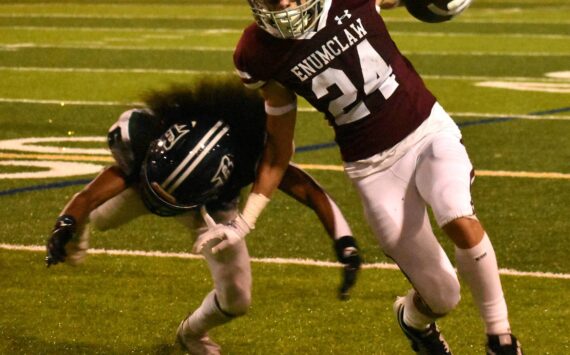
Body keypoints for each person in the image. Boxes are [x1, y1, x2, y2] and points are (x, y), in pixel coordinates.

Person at [193, 0, 523, 354]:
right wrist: (244, 222)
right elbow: (277, 150)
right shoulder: (256, 52)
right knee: (443, 296)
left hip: (427, 130)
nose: (284, 4)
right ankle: (412, 320)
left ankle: (499, 337)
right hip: (372, 170)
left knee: (455, 213)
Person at [45, 77, 361, 355]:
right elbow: (89, 195)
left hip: (212, 212)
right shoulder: (148, 135)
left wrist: (344, 242)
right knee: (99, 216)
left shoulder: (246, 157)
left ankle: (191, 333)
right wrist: (68, 221)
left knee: (237, 299)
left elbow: (309, 190)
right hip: (150, 184)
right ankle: (81, 230)